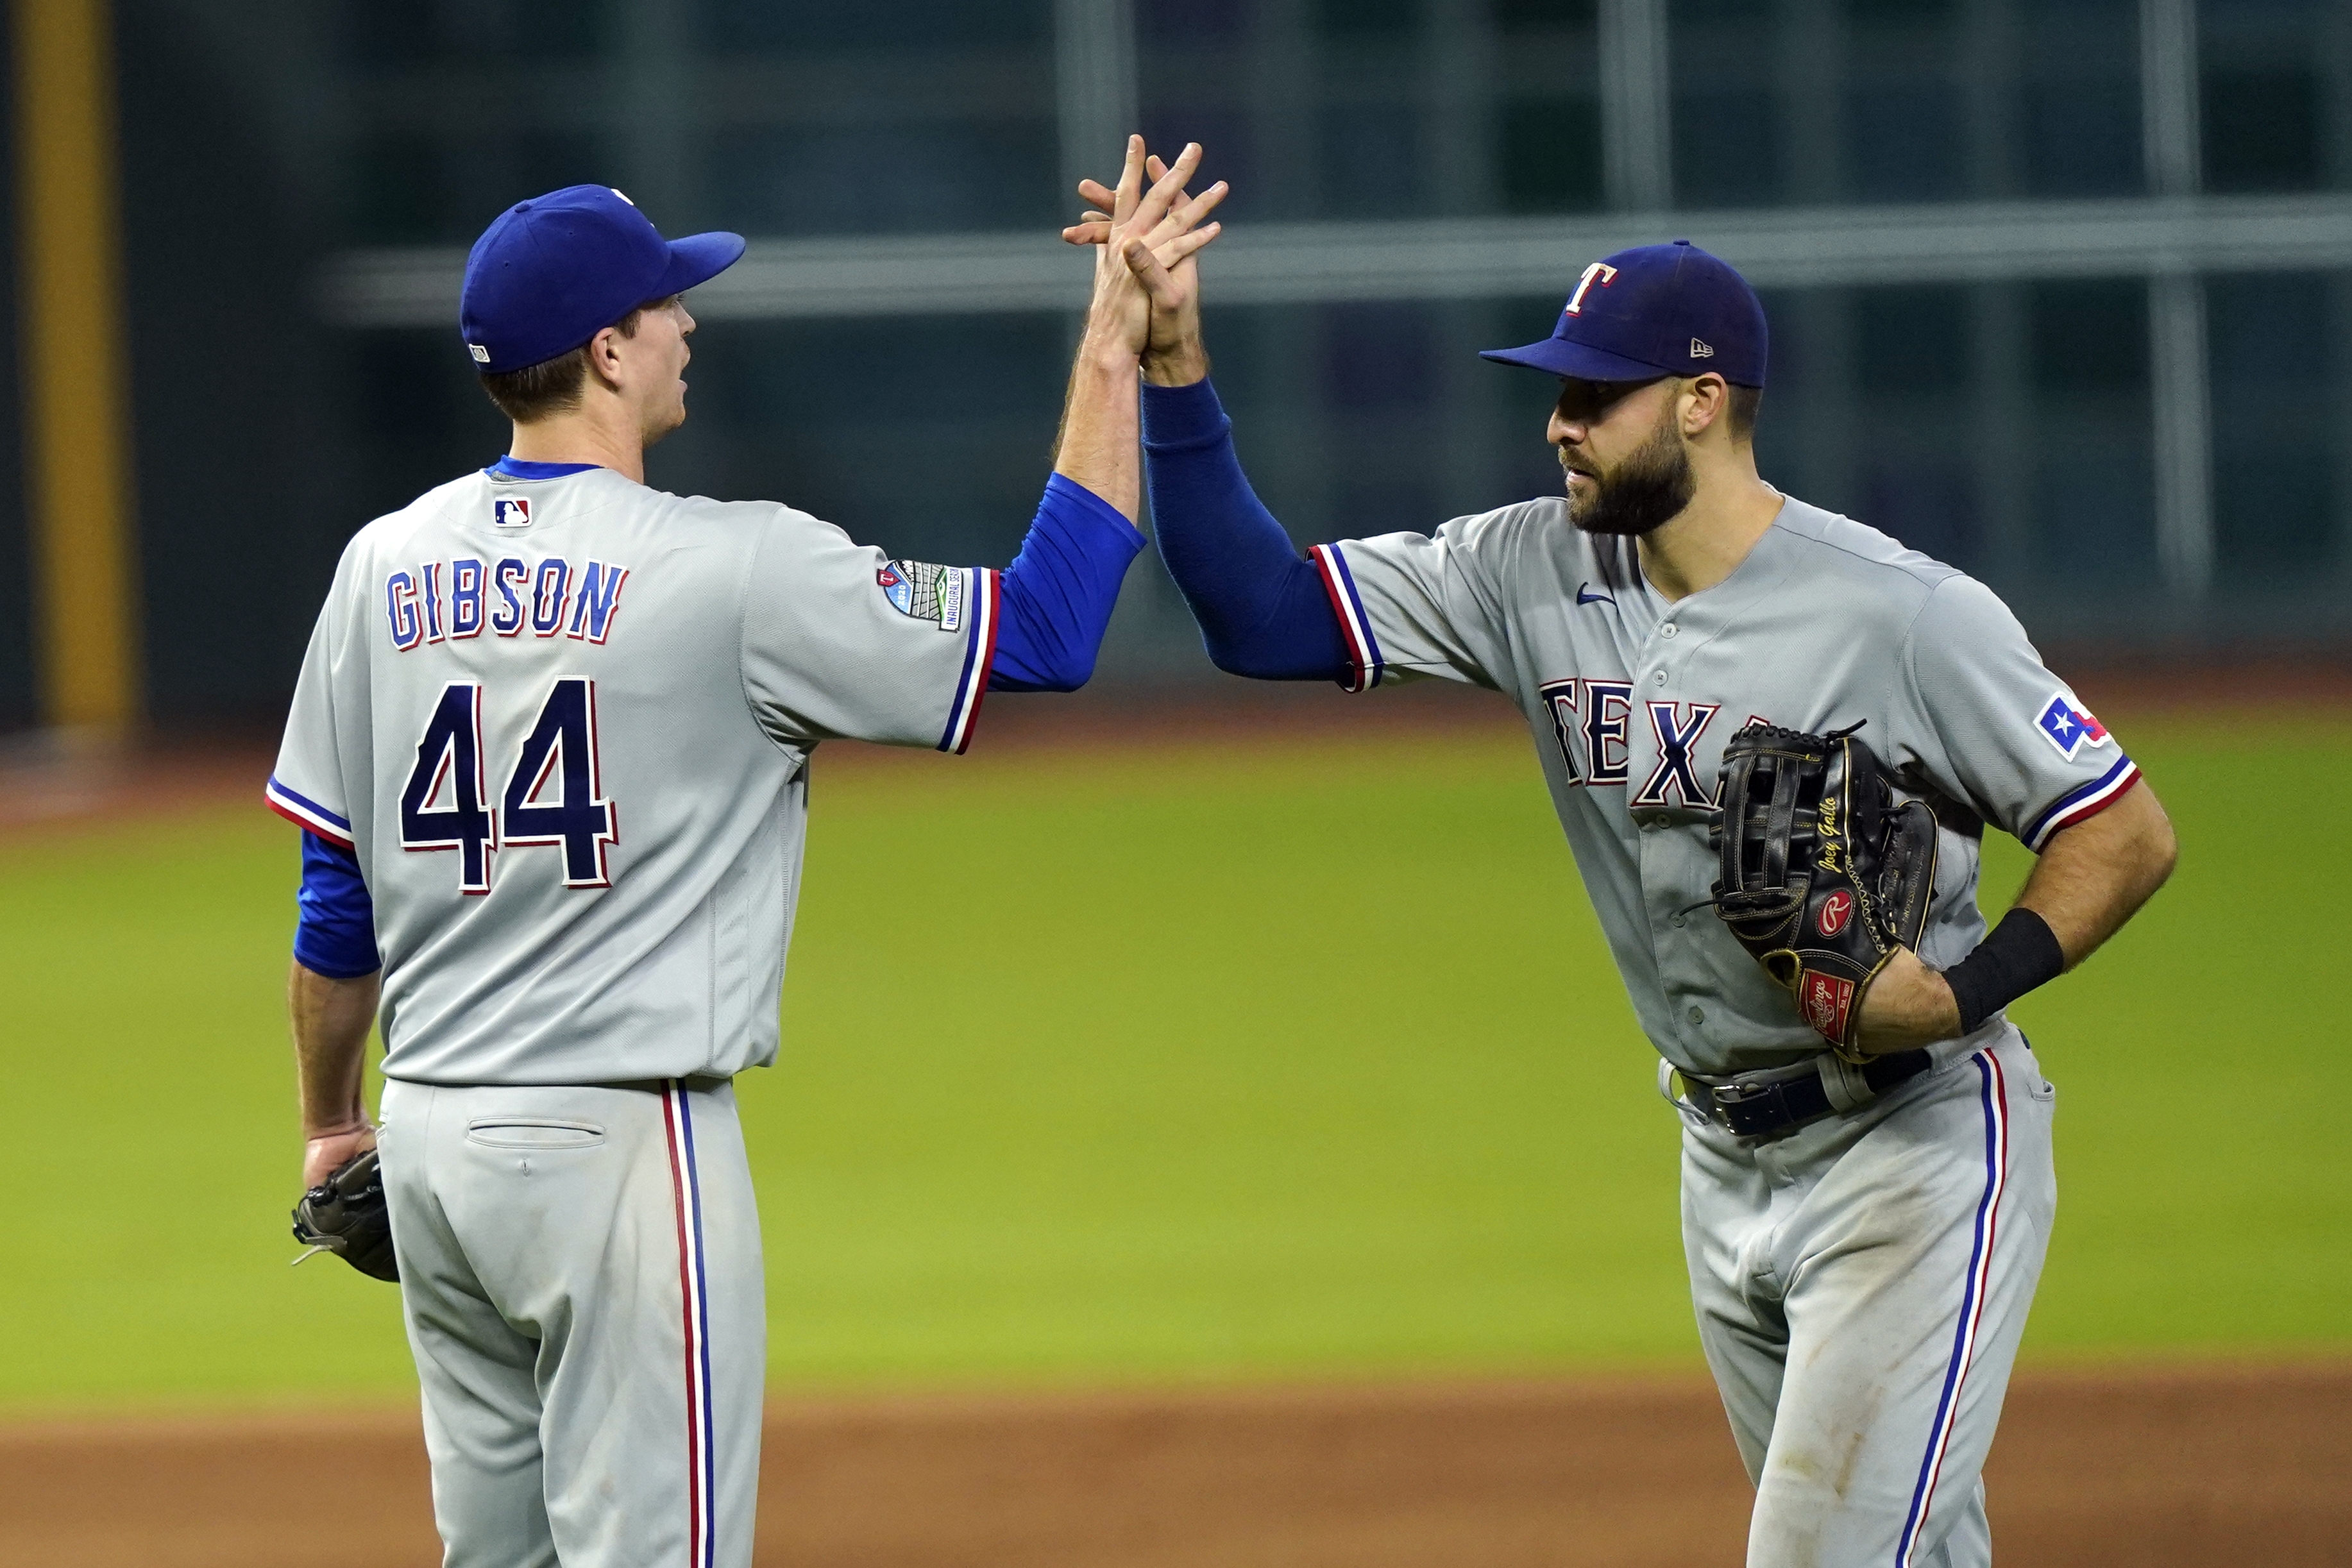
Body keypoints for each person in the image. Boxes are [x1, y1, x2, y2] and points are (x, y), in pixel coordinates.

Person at [1073, 179, 2178, 1565]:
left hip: (1913, 1154)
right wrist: (1174, 362)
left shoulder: (1902, 612)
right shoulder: (1530, 565)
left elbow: (2121, 828)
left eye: (1596, 394)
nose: (1560, 422)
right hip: (1718, 1153)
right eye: (1557, 390)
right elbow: (1256, 614)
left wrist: (1961, 994)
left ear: (1703, 402)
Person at [266, 145, 1224, 1567]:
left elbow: (335, 893)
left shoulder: (378, 565)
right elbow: (1045, 631)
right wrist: (1109, 352)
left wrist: (332, 1123)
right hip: (617, 1151)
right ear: (606, 352)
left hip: (433, 1143)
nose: (687, 321)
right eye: (665, 305)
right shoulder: (730, 569)